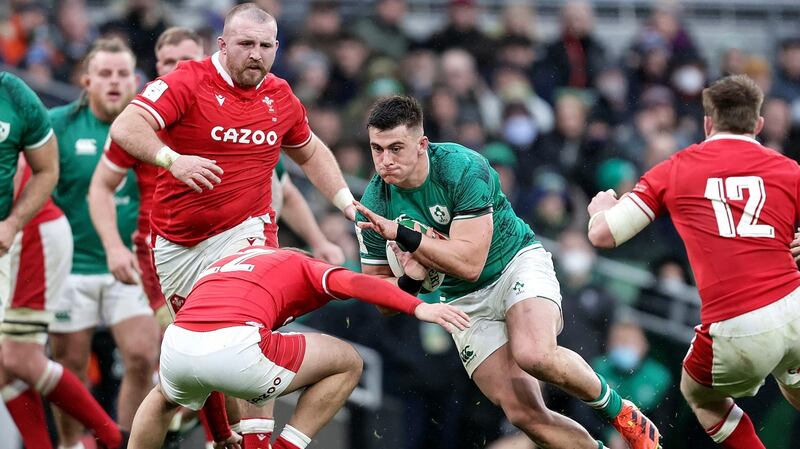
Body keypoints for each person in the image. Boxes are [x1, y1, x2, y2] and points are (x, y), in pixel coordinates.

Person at [109, 3, 356, 445]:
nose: (255, 54)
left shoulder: (280, 96)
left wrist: (345, 203)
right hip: (178, 245)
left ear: (277, 48)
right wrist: (173, 159)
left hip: (248, 235)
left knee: (254, 336)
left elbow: (311, 150)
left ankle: (258, 442)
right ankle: (222, 436)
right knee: (184, 380)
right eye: (245, 44)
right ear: (223, 45)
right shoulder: (189, 80)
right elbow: (126, 126)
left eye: (265, 46)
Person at [354, 95, 661, 449]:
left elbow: (470, 263)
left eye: (396, 148)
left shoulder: (462, 167)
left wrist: (406, 237)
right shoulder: (373, 204)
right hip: (462, 300)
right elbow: (380, 297)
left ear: (422, 144)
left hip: (514, 263)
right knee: (523, 415)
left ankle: (622, 414)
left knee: (535, 355)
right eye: (377, 149)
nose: (385, 161)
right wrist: (411, 279)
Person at [587, 74, 800, 449]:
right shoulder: (789, 170)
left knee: (699, 393)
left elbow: (603, 236)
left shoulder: (677, 168)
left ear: (707, 122)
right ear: (759, 124)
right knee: (795, 380)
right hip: (794, 309)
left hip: (738, 322)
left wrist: (601, 209)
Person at [128, 246, 469, 449]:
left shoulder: (233, 261)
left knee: (162, 399)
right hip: (238, 346)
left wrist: (220, 434)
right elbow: (358, 283)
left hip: (178, 341)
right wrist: (418, 306)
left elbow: (206, 366)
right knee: (349, 362)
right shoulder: (304, 267)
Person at [48, 37, 160, 447]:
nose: (114, 82)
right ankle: (71, 443)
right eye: (105, 74)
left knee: (141, 356)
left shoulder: (149, 126)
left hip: (131, 265)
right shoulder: (58, 125)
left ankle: (127, 441)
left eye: (122, 74)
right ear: (87, 80)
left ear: (135, 80)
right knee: (71, 366)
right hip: (69, 267)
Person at [0, 72, 122, 449]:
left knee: (20, 358)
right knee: (6, 366)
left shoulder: (13, 95)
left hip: (28, 236)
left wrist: (13, 223)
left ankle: (111, 437)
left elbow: (44, 169)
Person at [89, 27, 205, 328]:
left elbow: (277, 181)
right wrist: (115, 247)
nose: (178, 68)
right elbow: (101, 187)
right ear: (157, 68)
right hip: (161, 253)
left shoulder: (228, 110)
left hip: (219, 245)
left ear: (205, 60)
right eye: (169, 62)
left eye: (187, 59)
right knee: (181, 349)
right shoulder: (138, 120)